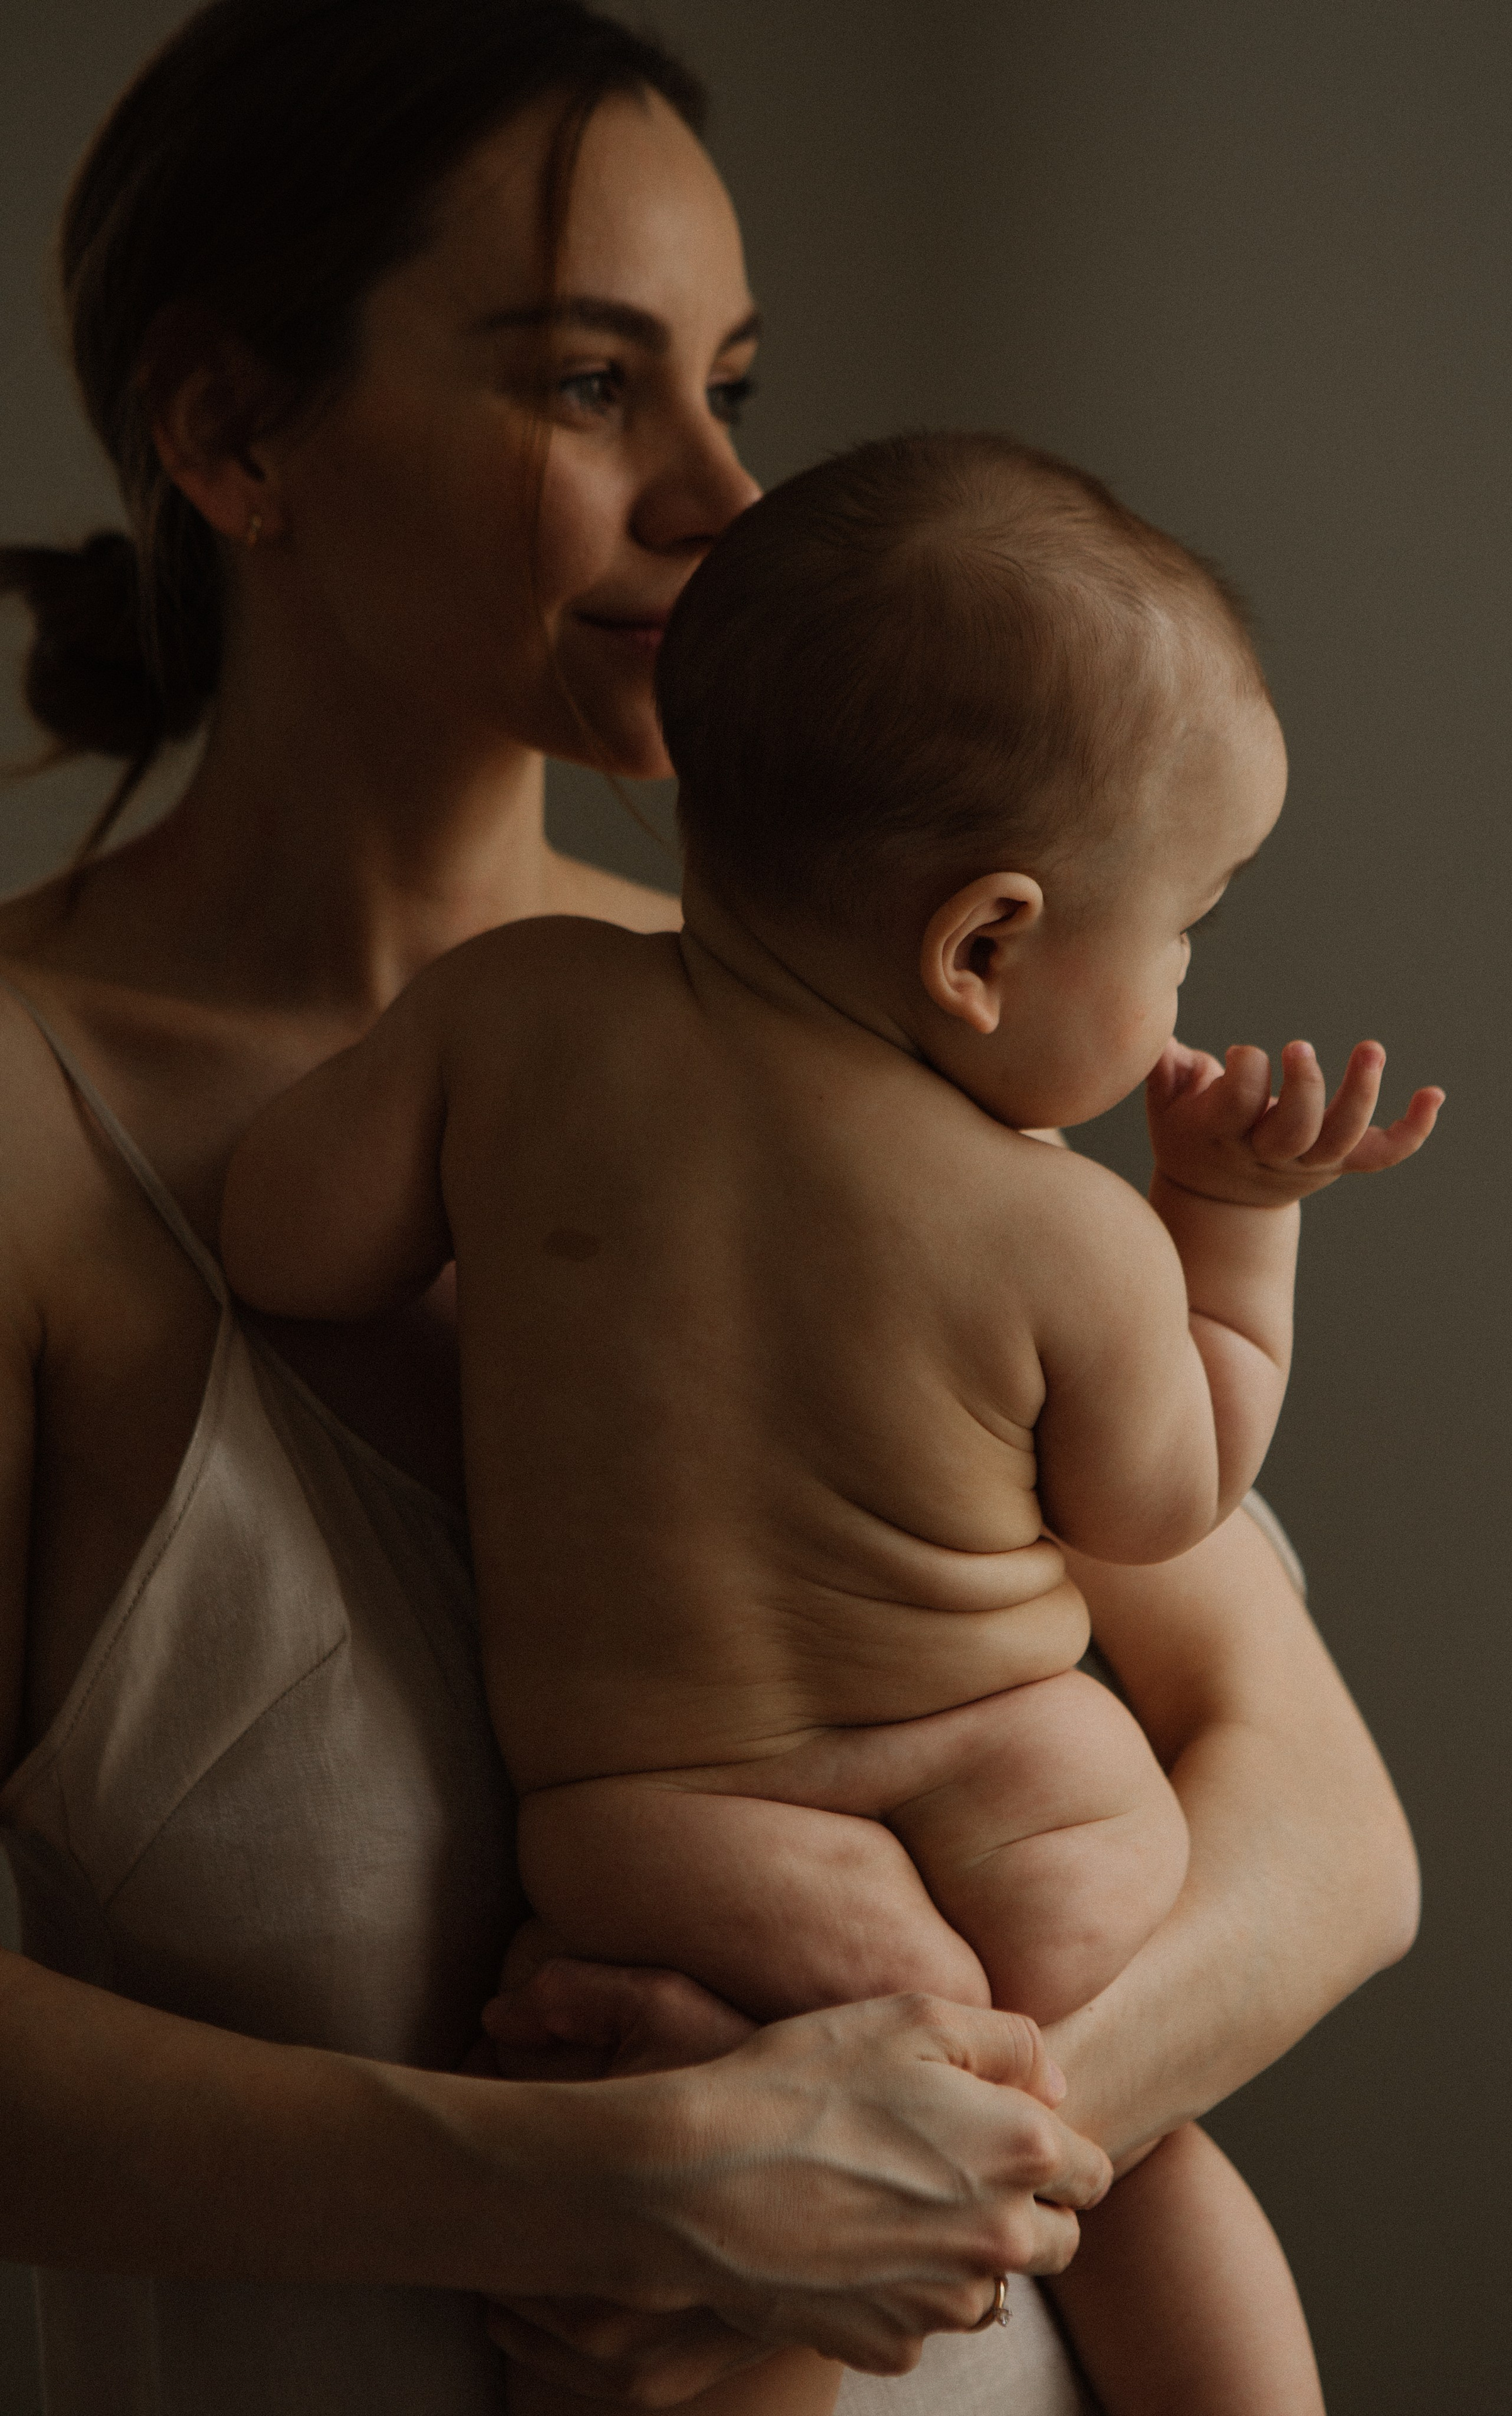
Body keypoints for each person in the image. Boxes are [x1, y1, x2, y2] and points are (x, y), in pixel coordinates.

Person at [0, 4, 1418, 2410]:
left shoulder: (882, 1049)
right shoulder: (41, 1130)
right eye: (590, 384)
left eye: (734, 386)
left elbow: (1332, 1838)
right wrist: (603, 2192)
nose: (726, 497)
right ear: (232, 431)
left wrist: (880, 2175)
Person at [220, 432, 1441, 2416]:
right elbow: (1166, 1497)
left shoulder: (514, 1016)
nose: (1184, 987)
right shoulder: (1064, 1231)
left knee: (756, 2185)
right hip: (1032, 1798)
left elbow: (283, 1245)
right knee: (1130, 2165)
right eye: (1187, 930)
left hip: (687, 1841)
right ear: (983, 949)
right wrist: (1231, 1231)